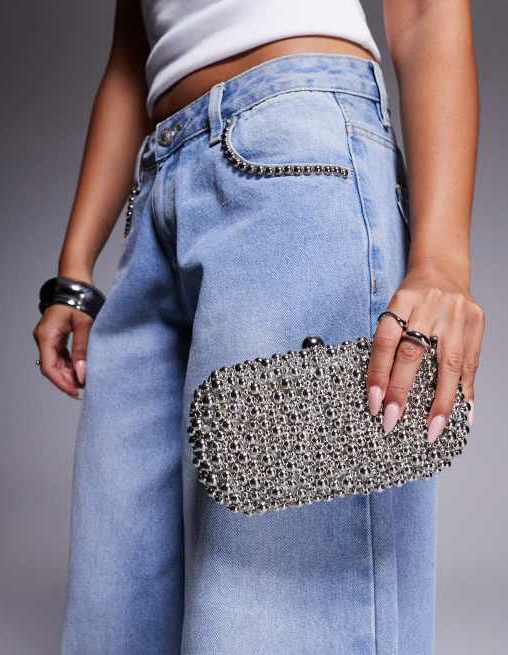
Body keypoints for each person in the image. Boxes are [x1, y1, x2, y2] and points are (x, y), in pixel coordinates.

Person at [32, 1, 484, 653]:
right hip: (159, 188)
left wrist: (440, 259)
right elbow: (133, 58)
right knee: (113, 614)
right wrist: (75, 270)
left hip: (293, 157)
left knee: (276, 613)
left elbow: (422, 11)